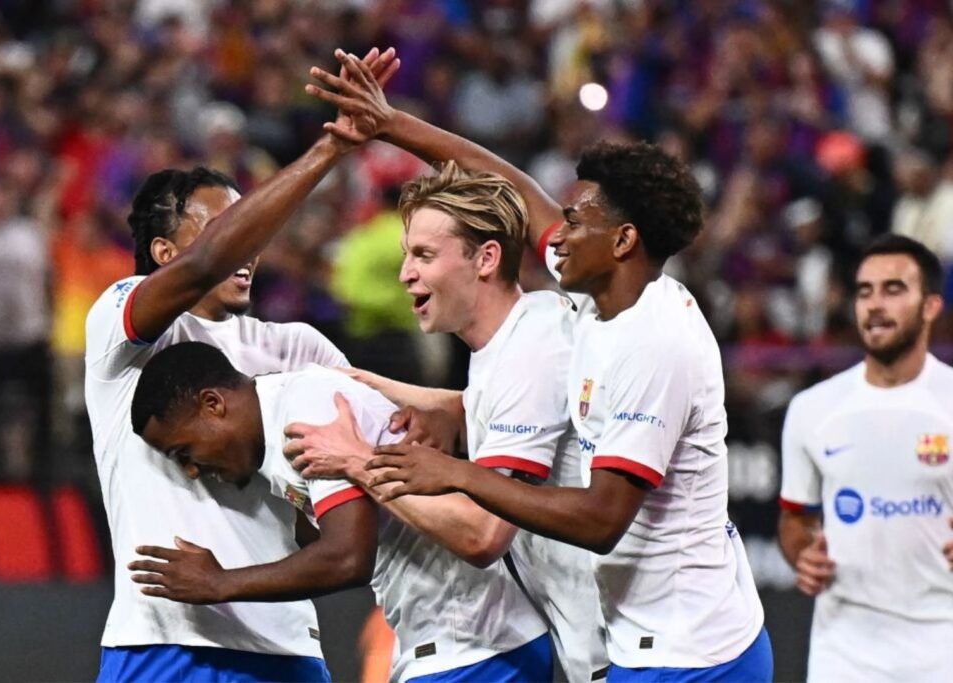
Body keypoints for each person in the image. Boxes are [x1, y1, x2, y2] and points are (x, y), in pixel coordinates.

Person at [305, 51, 773, 681]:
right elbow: (516, 188)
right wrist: (390, 125)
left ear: (623, 241)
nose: (556, 231)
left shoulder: (654, 346)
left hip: (688, 652)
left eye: (577, 219)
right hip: (635, 642)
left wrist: (451, 473)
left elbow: (600, 519)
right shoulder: (595, 296)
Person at [86, 48, 399, 683]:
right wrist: (330, 151)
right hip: (162, 641)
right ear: (164, 251)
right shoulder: (124, 328)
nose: (248, 246)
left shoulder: (300, 349)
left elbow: (360, 477)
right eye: (226, 228)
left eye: (250, 228)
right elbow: (200, 270)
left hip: (285, 647)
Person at [287, 161, 606, 681]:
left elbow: (483, 535)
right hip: (595, 642)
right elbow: (486, 402)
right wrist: (367, 385)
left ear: (486, 258)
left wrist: (359, 461)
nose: (405, 273)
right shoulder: (526, 332)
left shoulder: (530, 352)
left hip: (620, 649)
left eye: (424, 256)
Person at [130, 342, 553, 683]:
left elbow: (348, 555)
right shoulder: (281, 423)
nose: (191, 469)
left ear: (213, 404)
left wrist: (218, 583)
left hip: (475, 644)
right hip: (457, 643)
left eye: (184, 451)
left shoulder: (305, 415)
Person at [778, 234, 953, 682]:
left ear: (931, 305)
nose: (875, 304)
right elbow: (795, 520)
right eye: (864, 291)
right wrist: (803, 554)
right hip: (844, 651)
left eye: (894, 289)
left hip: (941, 646)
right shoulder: (813, 409)